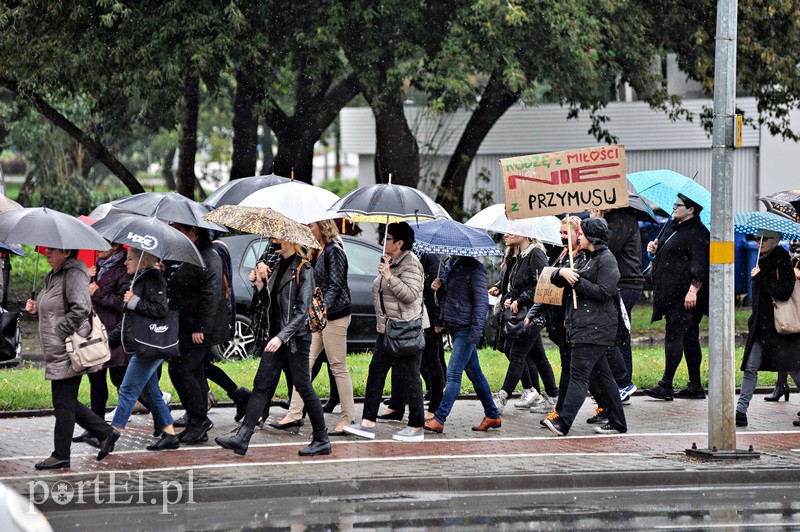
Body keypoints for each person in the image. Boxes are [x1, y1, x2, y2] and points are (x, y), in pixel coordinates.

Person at [215, 238, 330, 456]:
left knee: (303, 386)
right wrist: (259, 287)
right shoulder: (277, 264)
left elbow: (301, 312)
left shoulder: (304, 268)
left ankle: (322, 438)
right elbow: (269, 305)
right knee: (261, 385)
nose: (274, 240)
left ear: (291, 240)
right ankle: (242, 438)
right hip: (276, 337)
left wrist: (282, 337)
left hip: (295, 339)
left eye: (279, 237)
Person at [26, 248, 118, 469]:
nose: (46, 254)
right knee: (64, 402)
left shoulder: (74, 273)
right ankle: (105, 432)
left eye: (52, 250)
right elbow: (54, 307)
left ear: (66, 252)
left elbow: (81, 308)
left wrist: (60, 330)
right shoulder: (54, 275)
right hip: (57, 350)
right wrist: (36, 307)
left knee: (63, 402)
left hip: (69, 349)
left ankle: (61, 454)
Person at [344, 222, 428, 442]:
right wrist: (386, 273)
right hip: (388, 329)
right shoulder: (392, 261)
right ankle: (368, 423)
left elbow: (410, 295)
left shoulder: (411, 264)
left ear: (399, 243)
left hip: (405, 329)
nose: (383, 242)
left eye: (387, 238)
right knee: (376, 373)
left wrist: (390, 276)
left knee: (410, 378)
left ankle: (417, 426)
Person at [542, 218, 627, 437]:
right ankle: (618, 421)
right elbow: (556, 277)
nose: (578, 236)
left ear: (592, 236)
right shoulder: (584, 257)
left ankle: (564, 422)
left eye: (582, 233)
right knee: (603, 377)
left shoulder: (607, 260)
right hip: (582, 326)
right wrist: (561, 273)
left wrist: (576, 281)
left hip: (595, 328)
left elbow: (604, 291)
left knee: (578, 376)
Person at [278, 219, 356, 436]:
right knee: (304, 364)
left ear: (323, 227)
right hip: (318, 318)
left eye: (310, 225)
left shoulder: (334, 250)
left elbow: (336, 285)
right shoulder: (315, 251)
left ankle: (348, 418)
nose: (307, 229)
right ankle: (294, 414)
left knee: (337, 366)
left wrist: (321, 312)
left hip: (336, 317)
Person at [107, 248, 181, 451]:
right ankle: (170, 435)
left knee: (127, 389)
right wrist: (109, 342)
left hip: (149, 346)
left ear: (143, 261)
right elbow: (128, 319)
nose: (125, 262)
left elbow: (160, 310)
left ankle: (112, 435)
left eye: (129, 259)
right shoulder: (138, 279)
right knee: (151, 393)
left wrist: (134, 301)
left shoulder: (153, 279)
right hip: (140, 345)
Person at [165, 223, 230, 444]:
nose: (177, 235)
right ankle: (197, 422)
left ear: (193, 232)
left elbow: (211, 294)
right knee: (197, 372)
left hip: (198, 329)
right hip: (187, 325)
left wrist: (201, 327)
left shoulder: (207, 255)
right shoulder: (191, 253)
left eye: (180, 230)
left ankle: (199, 419)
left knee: (180, 369)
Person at [642, 194, 710, 400]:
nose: (674, 208)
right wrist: (653, 250)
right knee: (689, 338)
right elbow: (665, 252)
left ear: (691, 209)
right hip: (670, 293)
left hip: (684, 295)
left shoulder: (698, 233)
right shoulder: (673, 226)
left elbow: (700, 264)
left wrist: (693, 290)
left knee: (674, 336)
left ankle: (666, 384)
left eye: (678, 205)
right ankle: (695, 385)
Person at [423, 254, 501, 433]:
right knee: (475, 373)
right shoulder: (450, 264)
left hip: (467, 329)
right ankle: (492, 415)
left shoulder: (475, 268)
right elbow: (451, 298)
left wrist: (475, 334)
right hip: (455, 326)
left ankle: (439, 418)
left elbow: (481, 304)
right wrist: (439, 287)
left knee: (453, 374)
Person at [735, 230, 800, 427]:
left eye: (765, 239)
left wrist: (761, 277)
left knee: (793, 369)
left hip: (780, 328)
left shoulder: (783, 262)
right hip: (759, 328)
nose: (760, 243)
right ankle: (740, 411)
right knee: (750, 368)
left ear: (778, 240)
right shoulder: (758, 261)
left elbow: (783, 292)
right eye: (757, 239)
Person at [527, 216, 588, 418]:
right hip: (560, 322)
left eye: (565, 233)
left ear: (578, 234)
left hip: (571, 322)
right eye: (560, 233)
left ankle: (562, 411)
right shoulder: (563, 255)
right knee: (580, 370)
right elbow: (548, 288)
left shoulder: (581, 258)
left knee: (576, 371)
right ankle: (604, 409)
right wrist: (534, 311)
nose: (562, 237)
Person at [72, 243, 130, 445]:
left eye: (102, 244)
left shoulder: (124, 269)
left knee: (122, 382)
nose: (98, 249)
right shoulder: (97, 267)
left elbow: (123, 303)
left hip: (113, 334)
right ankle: (94, 428)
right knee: (96, 381)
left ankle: (161, 419)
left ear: (114, 246)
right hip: (94, 333)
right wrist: (85, 279)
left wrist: (97, 293)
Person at [495, 233, 557, 414]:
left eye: (512, 230)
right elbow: (517, 285)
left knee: (517, 354)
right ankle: (552, 396)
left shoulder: (536, 254)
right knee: (538, 356)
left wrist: (520, 299)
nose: (507, 233)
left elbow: (542, 285)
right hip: (522, 313)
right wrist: (510, 298)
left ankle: (503, 397)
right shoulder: (521, 255)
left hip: (533, 314)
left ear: (525, 233)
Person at [380, 251, 445, 422]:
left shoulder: (432, 258)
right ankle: (396, 404)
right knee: (399, 357)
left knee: (432, 360)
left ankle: (435, 405)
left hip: (429, 315)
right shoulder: (407, 255)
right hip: (411, 313)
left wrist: (438, 318)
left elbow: (439, 291)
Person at [600, 207, 644, 403]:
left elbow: (606, 246)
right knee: (620, 335)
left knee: (615, 335)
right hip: (623, 282)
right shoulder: (617, 218)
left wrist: (598, 220)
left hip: (626, 283)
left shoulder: (622, 219)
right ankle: (623, 385)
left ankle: (624, 383)